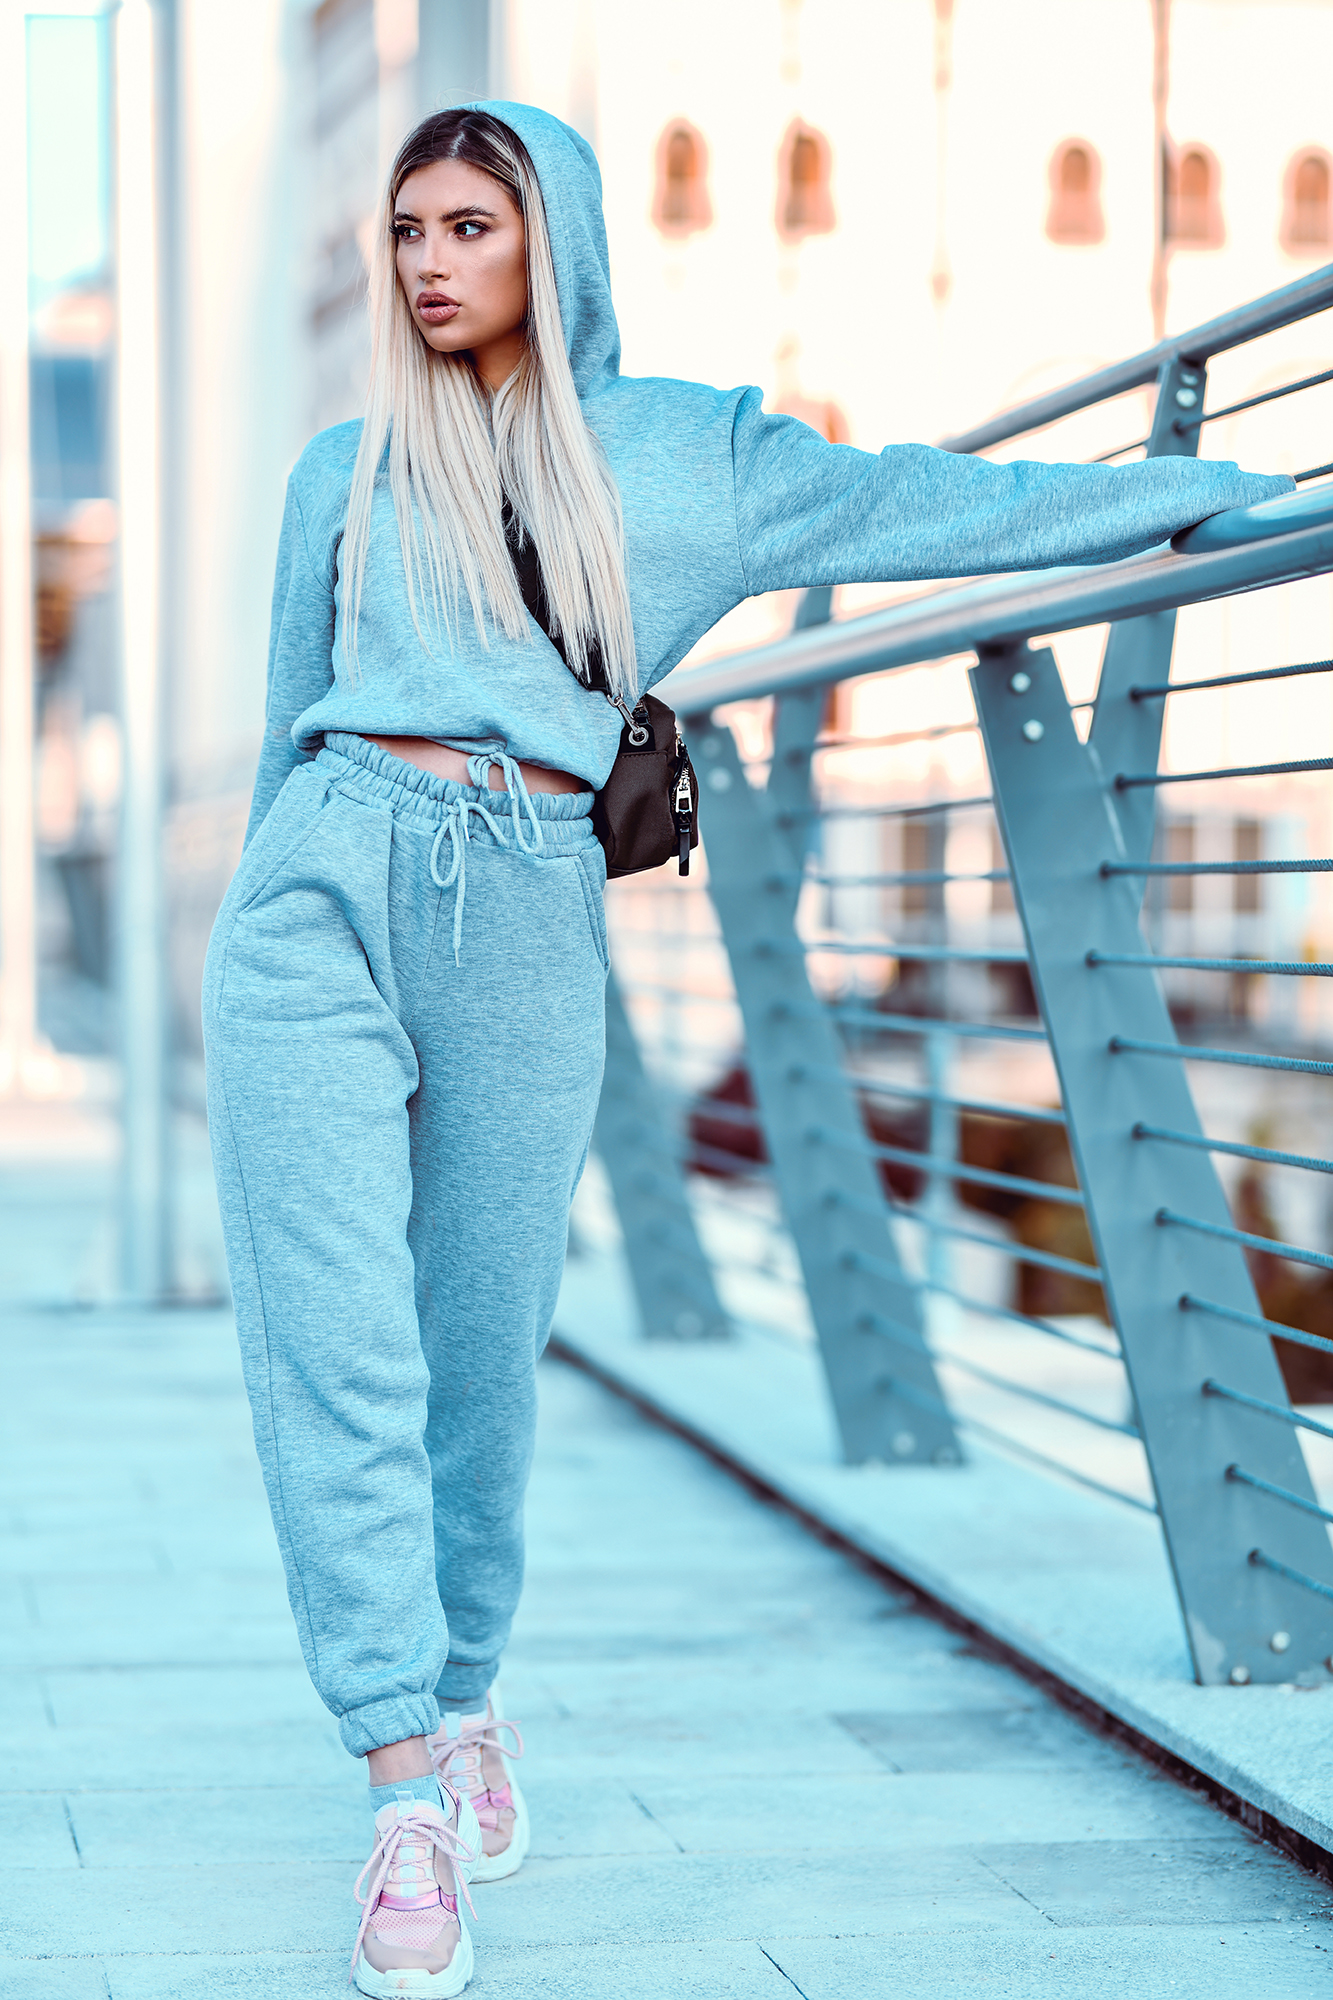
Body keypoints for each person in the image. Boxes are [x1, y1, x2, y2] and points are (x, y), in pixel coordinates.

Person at [202, 100, 1293, 1998]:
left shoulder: (691, 456)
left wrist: (1211, 498)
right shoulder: (343, 471)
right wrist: (262, 903)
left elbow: (940, 500)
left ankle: (464, 1693)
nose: (430, 262)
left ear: (556, 238)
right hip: (319, 886)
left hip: (527, 898)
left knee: (476, 1333)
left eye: (470, 224)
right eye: (407, 231)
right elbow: (296, 712)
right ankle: (395, 1773)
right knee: (333, 1344)